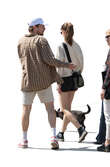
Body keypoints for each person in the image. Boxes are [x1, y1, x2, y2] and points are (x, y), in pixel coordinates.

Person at [17, 18, 76, 149]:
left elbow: (21, 60)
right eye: (43, 26)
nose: (44, 28)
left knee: (26, 110)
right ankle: (53, 137)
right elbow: (49, 60)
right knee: (50, 109)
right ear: (36, 27)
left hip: (27, 82)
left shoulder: (20, 41)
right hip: (44, 82)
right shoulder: (41, 40)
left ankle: (24, 140)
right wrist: (66, 65)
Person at [55, 22, 88, 143]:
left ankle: (80, 129)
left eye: (60, 31)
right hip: (74, 78)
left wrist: (58, 82)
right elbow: (81, 63)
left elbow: (59, 66)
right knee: (68, 108)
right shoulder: (77, 46)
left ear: (63, 32)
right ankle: (61, 133)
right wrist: (78, 73)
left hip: (64, 79)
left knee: (64, 110)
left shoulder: (60, 46)